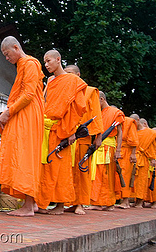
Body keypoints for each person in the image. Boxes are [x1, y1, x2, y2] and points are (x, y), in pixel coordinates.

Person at [0, 36, 44, 216]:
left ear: (16, 48)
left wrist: (9, 111)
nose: (7, 59)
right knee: (21, 153)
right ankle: (30, 203)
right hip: (23, 112)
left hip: (28, 113)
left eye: (7, 54)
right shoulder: (23, 65)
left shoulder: (30, 63)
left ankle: (29, 206)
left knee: (25, 155)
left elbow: (29, 94)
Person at [39, 50, 87, 215]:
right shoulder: (51, 81)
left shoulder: (73, 80)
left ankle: (60, 205)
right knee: (46, 167)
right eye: (44, 62)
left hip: (63, 128)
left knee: (62, 168)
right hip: (47, 128)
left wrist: (71, 130)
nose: (46, 65)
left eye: (48, 61)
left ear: (58, 59)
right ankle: (42, 202)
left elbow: (78, 108)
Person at [64, 65, 104, 215]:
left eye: (70, 73)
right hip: (67, 136)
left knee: (81, 171)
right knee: (67, 172)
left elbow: (96, 114)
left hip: (83, 138)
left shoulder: (90, 91)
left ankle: (80, 203)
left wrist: (98, 136)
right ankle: (68, 202)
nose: (67, 76)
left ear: (78, 74)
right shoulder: (65, 90)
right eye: (65, 73)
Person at [88, 92, 124, 211]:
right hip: (98, 147)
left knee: (105, 175)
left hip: (108, 148)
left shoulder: (115, 112)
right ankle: (102, 202)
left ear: (102, 99)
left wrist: (118, 150)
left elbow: (119, 133)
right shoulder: (99, 113)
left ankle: (105, 202)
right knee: (98, 174)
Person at [134, 118, 156, 208]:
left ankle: (140, 202)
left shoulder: (151, 133)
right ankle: (136, 201)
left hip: (145, 159)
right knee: (135, 181)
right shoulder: (135, 132)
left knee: (142, 181)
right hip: (135, 159)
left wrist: (153, 159)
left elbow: (153, 148)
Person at [115, 115, 139, 209]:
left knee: (125, 176)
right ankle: (119, 200)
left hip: (126, 153)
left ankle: (125, 201)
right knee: (117, 176)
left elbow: (133, 140)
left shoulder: (129, 122)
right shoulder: (114, 122)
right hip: (116, 150)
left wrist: (133, 154)